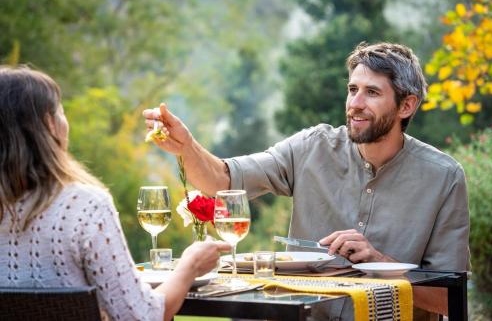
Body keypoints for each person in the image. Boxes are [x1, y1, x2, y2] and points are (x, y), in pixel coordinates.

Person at [143, 42, 470, 320]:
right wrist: (186, 147)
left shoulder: (444, 178)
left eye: (372, 92)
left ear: (406, 105)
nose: (355, 104)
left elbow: (447, 299)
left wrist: (380, 264)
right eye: (353, 89)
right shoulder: (312, 147)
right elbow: (223, 180)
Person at [0, 65, 231, 321]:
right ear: (50, 125)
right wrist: (190, 265)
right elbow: (141, 317)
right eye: (62, 112)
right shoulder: (84, 207)